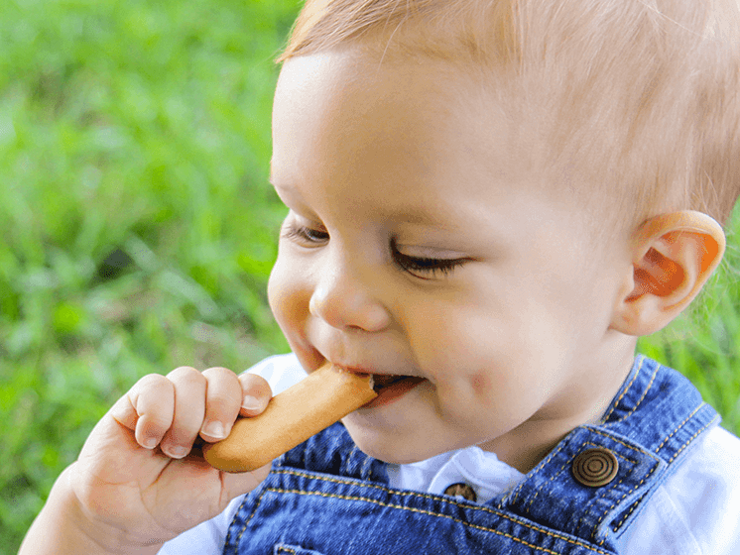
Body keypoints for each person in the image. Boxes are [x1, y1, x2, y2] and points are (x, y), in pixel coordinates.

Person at [20, 0, 740, 553]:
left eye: (421, 257)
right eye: (309, 228)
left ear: (648, 274)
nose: (332, 297)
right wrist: (96, 529)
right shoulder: (238, 464)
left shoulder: (705, 518)